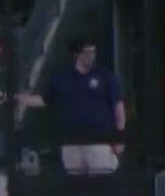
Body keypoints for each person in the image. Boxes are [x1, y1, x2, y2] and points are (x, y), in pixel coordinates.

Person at [44, 37, 125, 174]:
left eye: (93, 52)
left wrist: (120, 138)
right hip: (72, 141)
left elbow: (119, 108)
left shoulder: (105, 76)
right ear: (76, 55)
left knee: (101, 182)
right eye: (87, 52)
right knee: (76, 185)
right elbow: (46, 100)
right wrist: (17, 99)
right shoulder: (62, 78)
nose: (91, 56)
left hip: (99, 140)